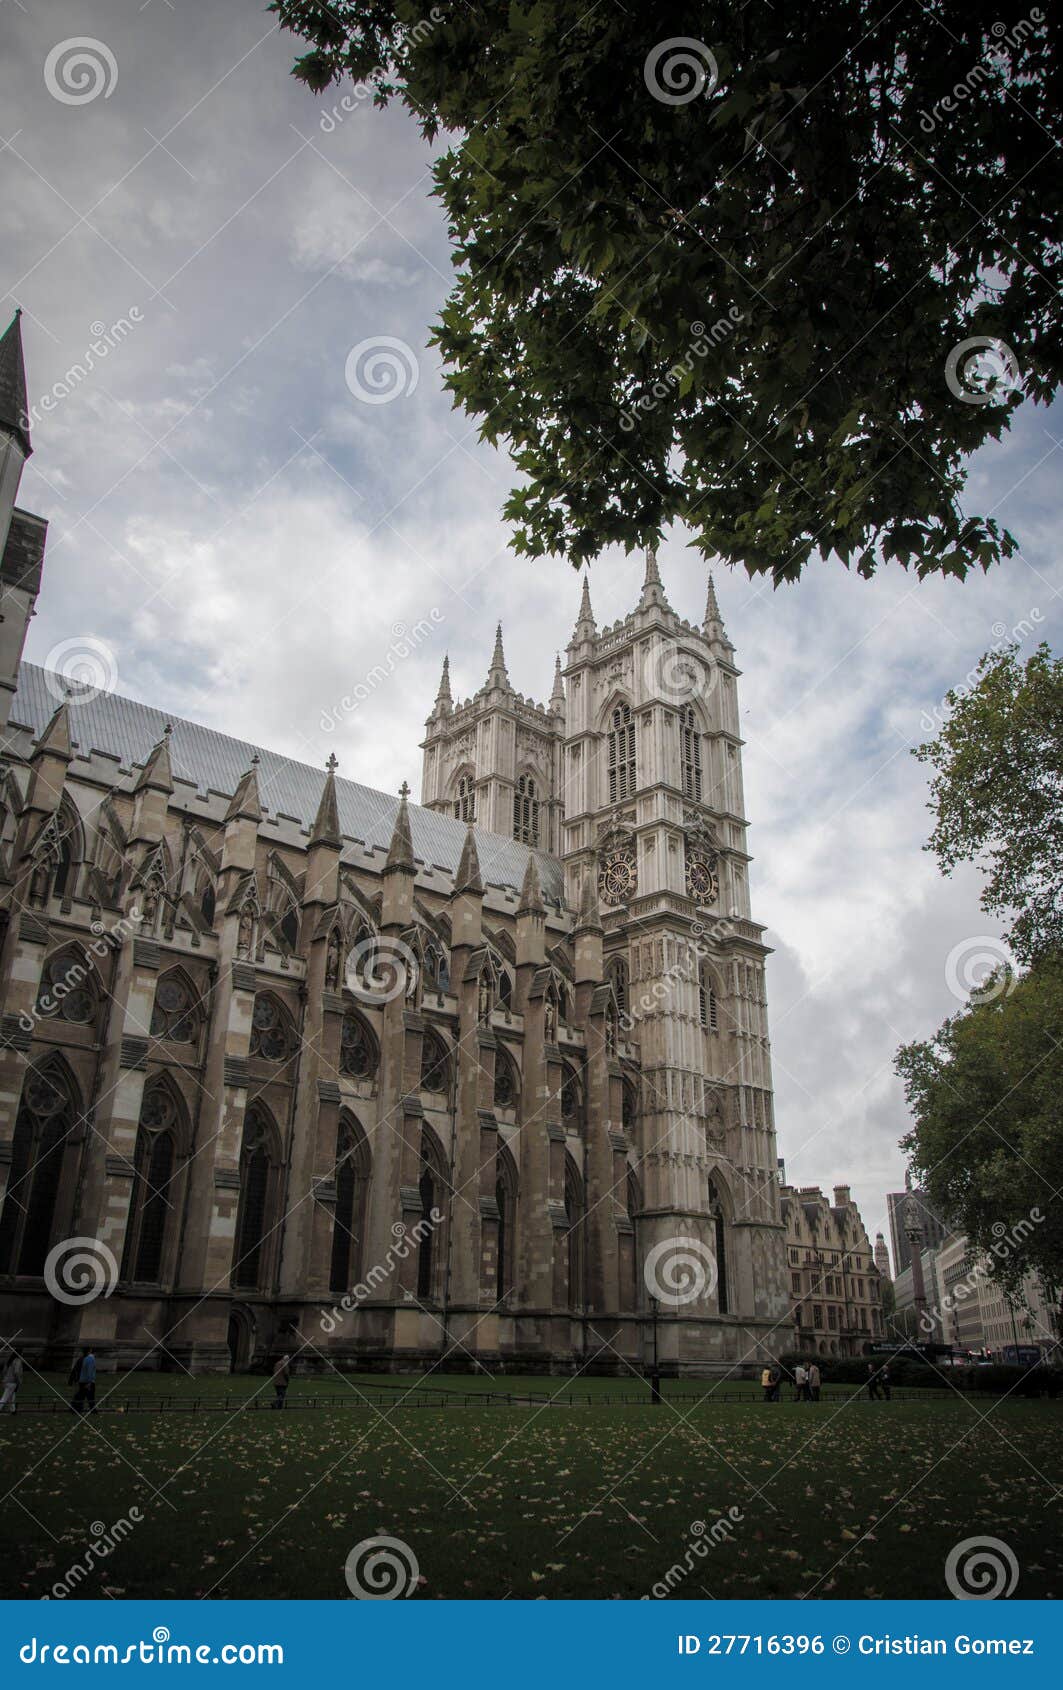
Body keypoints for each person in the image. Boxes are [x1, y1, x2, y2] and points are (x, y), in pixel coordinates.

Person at [71, 1348, 97, 1414]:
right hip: (88, 1381)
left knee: (81, 1396)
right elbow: (90, 1371)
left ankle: (76, 1409)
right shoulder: (91, 1359)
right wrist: (89, 1382)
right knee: (90, 1397)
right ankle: (93, 1411)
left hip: (82, 1380)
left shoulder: (85, 1358)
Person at [0, 1350, 23, 1414]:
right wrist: (18, 1381)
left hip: (6, 1381)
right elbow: (16, 1372)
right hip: (12, 1382)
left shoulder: (9, 1360)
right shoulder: (18, 1361)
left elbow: (4, 1371)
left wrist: (3, 1379)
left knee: (12, 1396)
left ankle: (13, 1410)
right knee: (5, 1398)